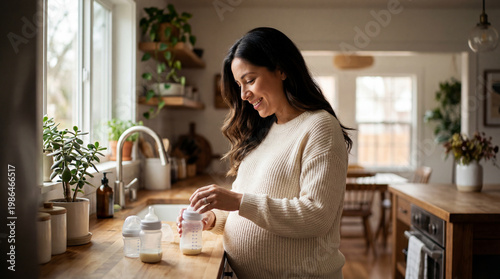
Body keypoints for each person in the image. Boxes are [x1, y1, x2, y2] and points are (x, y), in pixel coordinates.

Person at [177, 27, 352, 279]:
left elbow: (316, 215)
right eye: (238, 84)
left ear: (281, 69)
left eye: (249, 80)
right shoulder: (263, 129)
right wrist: (212, 219)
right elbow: (247, 209)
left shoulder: (319, 127)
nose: (243, 94)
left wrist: (237, 201)